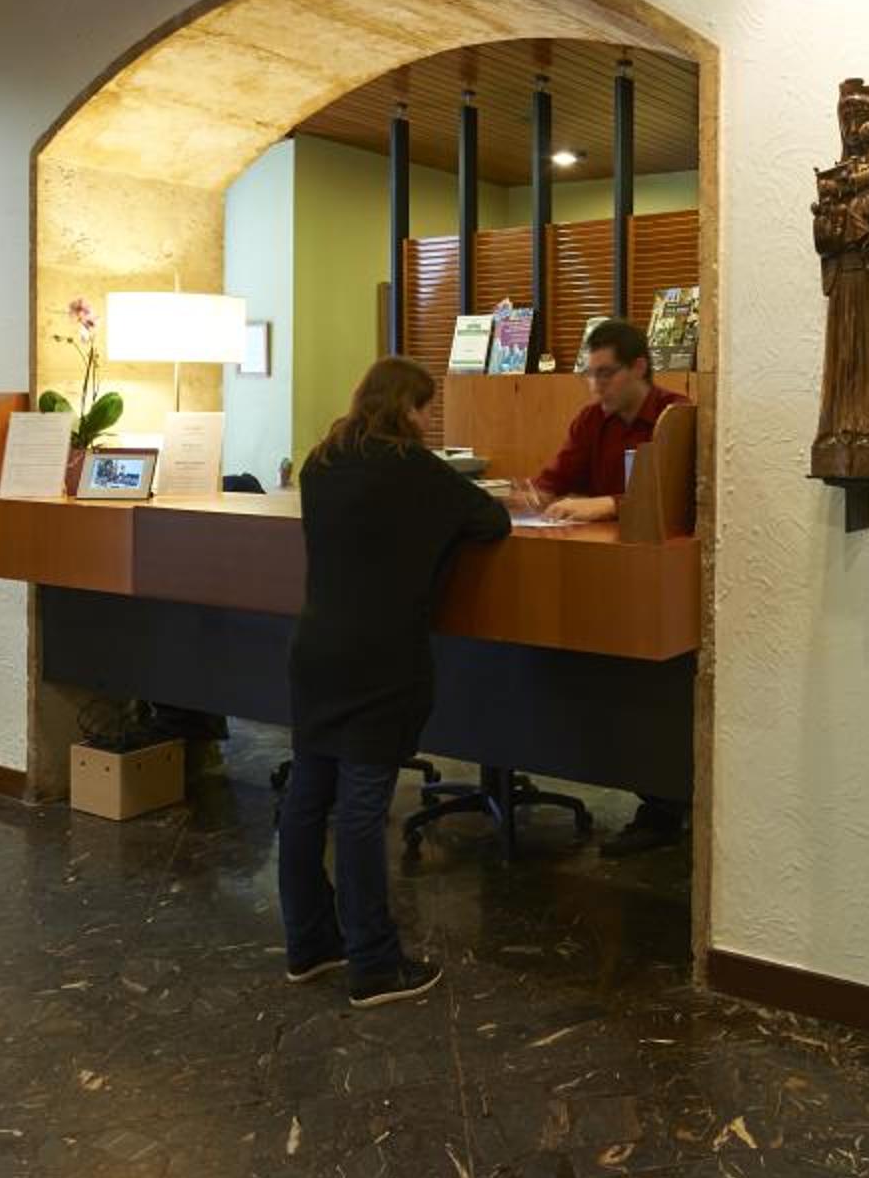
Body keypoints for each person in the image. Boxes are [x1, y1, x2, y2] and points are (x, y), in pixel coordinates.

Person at [283, 355, 508, 1008]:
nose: (428, 421)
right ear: (408, 408)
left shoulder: (320, 463)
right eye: (425, 409)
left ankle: (309, 944)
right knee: (361, 809)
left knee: (306, 798)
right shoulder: (417, 471)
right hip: (381, 659)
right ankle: (375, 963)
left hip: (316, 650)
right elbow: (491, 522)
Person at [512, 316, 691, 856]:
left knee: (648, 695)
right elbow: (554, 481)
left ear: (639, 367)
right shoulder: (592, 420)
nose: (596, 386)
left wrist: (608, 503)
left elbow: (676, 496)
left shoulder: (676, 416)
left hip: (653, 581)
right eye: (589, 375)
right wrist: (530, 496)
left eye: (606, 374)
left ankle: (664, 804)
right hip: (598, 576)